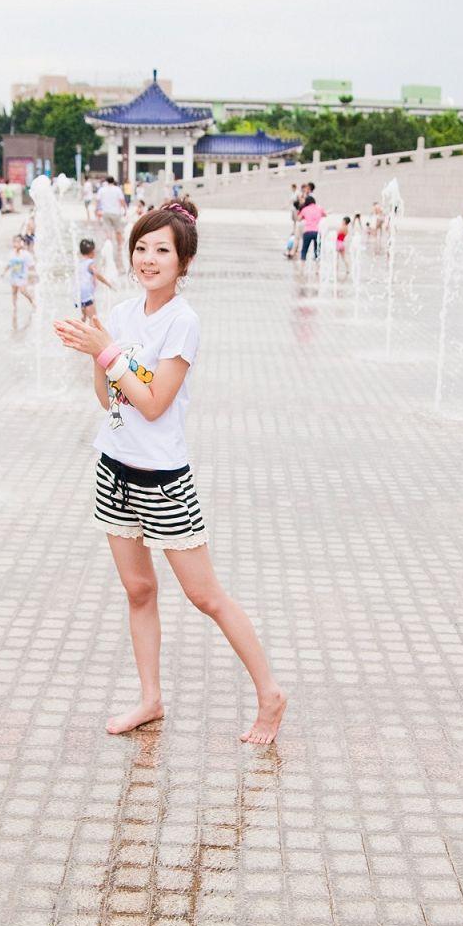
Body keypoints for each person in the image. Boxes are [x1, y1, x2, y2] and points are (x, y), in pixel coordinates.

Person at [51, 198, 287, 744]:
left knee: (205, 596)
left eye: (162, 250)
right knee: (138, 589)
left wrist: (106, 351)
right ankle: (150, 698)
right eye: (141, 247)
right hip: (114, 468)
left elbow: (155, 402)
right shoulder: (123, 315)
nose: (148, 259)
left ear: (184, 262)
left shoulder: (183, 322)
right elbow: (109, 398)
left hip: (161, 477)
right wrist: (96, 355)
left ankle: (271, 692)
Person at [77, 237, 114, 322]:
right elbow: (97, 274)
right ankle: (92, 332)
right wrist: (107, 283)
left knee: (83, 316)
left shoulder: (80, 263)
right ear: (92, 251)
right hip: (87, 293)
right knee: (94, 318)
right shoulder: (90, 263)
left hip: (80, 292)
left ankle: (80, 332)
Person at [2, 234, 37, 320]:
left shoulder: (25, 254)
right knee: (14, 292)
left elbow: (31, 265)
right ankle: (14, 307)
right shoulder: (12, 253)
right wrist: (4, 272)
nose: (16, 243)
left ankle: (32, 301)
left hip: (22, 276)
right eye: (14, 242)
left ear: (22, 243)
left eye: (18, 241)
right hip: (13, 276)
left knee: (23, 291)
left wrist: (33, 276)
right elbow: (9, 264)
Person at [95, 176, 127, 256]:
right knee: (118, 231)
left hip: (105, 212)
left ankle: (109, 248)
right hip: (116, 213)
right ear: (113, 181)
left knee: (108, 231)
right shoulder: (117, 189)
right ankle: (119, 247)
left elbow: (98, 201)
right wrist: (125, 209)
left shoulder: (102, 189)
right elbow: (122, 201)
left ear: (106, 181)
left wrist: (96, 210)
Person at [297, 191, 325, 264]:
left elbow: (299, 219)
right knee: (317, 251)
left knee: (304, 250)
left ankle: (302, 268)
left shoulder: (305, 209)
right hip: (317, 232)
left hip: (307, 232)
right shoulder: (319, 208)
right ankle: (317, 269)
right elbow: (325, 215)